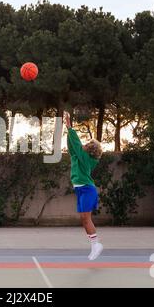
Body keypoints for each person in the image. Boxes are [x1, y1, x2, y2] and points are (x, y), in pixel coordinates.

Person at [64, 111, 104, 260]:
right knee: (83, 218)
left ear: (90, 149)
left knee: (86, 219)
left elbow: (76, 145)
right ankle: (95, 244)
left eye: (88, 144)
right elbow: (72, 145)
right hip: (81, 190)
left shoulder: (87, 159)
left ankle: (96, 245)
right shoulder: (79, 157)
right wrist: (68, 132)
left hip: (87, 189)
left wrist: (69, 126)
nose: (85, 144)